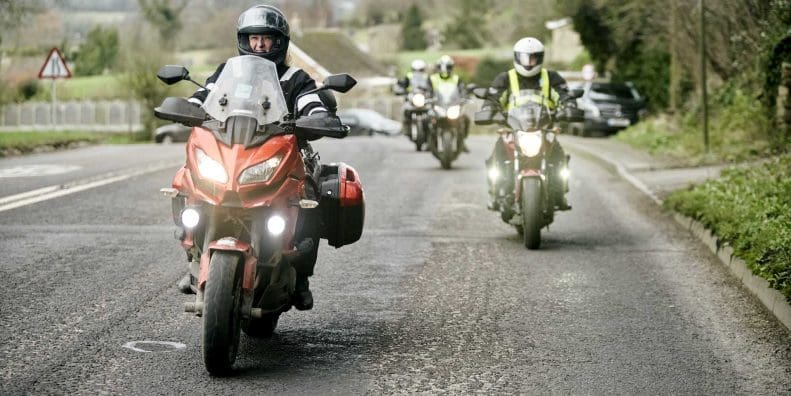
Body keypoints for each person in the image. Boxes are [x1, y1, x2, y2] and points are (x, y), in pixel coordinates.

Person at [179, 4, 329, 311]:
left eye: (266, 39)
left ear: (280, 42)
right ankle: (193, 253)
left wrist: (318, 116)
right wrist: (187, 107)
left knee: (309, 196)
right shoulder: (227, 72)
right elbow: (204, 96)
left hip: (281, 151)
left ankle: (301, 277)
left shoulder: (296, 78)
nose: (259, 45)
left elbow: (312, 103)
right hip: (235, 148)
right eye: (253, 38)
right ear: (243, 41)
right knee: (187, 179)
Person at [482, 37, 574, 211]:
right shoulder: (505, 78)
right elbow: (493, 98)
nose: (529, 62)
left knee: (559, 156)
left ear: (540, 58)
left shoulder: (551, 77)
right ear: (517, 58)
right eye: (525, 58)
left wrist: (570, 106)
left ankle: (560, 192)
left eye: (533, 58)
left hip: (544, 128)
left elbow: (564, 95)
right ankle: (497, 192)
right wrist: (488, 108)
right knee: (498, 154)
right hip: (514, 128)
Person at [429, 55, 469, 152]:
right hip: (438, 106)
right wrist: (427, 97)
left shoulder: (456, 79)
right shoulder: (432, 78)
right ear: (438, 68)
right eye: (442, 67)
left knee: (466, 119)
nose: (445, 70)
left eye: (448, 67)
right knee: (427, 118)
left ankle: (462, 141)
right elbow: (427, 90)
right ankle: (429, 141)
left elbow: (462, 90)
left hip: (452, 106)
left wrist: (465, 97)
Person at [395, 59, 433, 136]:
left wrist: (432, 93)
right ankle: (405, 128)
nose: (418, 72)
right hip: (411, 99)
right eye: (416, 70)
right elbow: (402, 85)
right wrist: (401, 90)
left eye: (420, 70)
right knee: (404, 110)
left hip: (424, 100)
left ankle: (431, 130)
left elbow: (432, 88)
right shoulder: (409, 76)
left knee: (432, 112)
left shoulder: (427, 77)